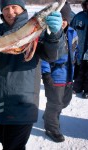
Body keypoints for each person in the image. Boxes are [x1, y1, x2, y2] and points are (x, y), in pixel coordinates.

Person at [0, 0, 65, 149]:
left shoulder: (39, 30)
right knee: (3, 140)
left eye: (14, 7)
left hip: (22, 103)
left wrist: (55, 35)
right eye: (6, 8)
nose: (10, 12)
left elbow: (52, 55)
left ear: (22, 8)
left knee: (14, 146)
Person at [41, 2, 79, 142]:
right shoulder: (48, 34)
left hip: (69, 74)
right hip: (55, 75)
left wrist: (78, 65)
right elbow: (43, 57)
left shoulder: (72, 32)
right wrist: (46, 74)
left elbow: (76, 50)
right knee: (55, 104)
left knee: (65, 101)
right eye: (60, 18)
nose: (62, 22)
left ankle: (49, 114)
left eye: (65, 19)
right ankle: (51, 128)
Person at [70, 0, 88, 98]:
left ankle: (87, 90)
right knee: (79, 69)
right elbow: (71, 30)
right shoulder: (78, 17)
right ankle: (76, 88)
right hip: (80, 49)